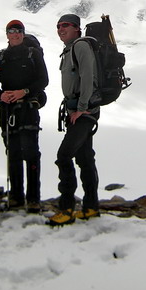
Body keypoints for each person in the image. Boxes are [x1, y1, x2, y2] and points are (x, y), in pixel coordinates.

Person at [0, 20, 48, 213]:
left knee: (30, 153)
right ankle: (16, 196)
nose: (15, 34)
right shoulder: (0, 57)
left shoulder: (34, 54)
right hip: (8, 110)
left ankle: (33, 199)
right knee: (13, 152)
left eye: (18, 31)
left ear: (23, 34)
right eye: (11, 31)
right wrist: (0, 95)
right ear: (7, 34)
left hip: (28, 108)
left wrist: (25, 91)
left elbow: (44, 80)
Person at [48, 14, 101, 226]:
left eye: (66, 25)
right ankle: (90, 207)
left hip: (84, 112)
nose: (61, 29)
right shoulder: (70, 48)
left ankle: (67, 208)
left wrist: (81, 108)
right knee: (85, 158)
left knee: (64, 156)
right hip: (79, 110)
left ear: (77, 28)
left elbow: (88, 76)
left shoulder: (80, 46)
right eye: (58, 26)